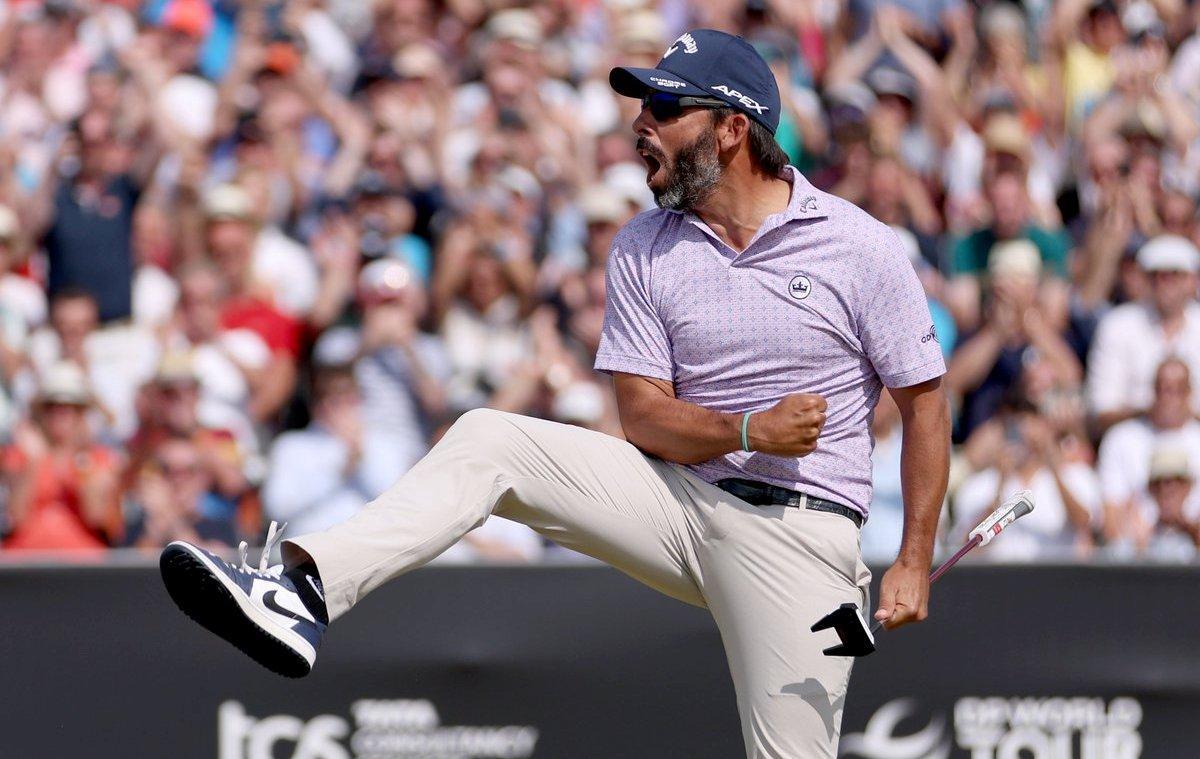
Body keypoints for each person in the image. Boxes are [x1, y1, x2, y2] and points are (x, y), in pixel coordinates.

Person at [159, 30, 950, 757]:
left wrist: (913, 556)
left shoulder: (857, 244)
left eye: (665, 107)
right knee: (490, 438)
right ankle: (302, 591)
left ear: (732, 129)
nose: (641, 124)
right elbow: (642, 418)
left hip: (799, 540)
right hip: (678, 500)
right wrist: (750, 427)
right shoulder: (642, 245)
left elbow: (925, 405)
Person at [1086, 234, 1200, 432]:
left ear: (1192, 280)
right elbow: (1102, 409)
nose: (1166, 283)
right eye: (1157, 275)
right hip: (1134, 440)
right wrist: (1154, 412)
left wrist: (1179, 413)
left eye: (1175, 275)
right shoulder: (1117, 325)